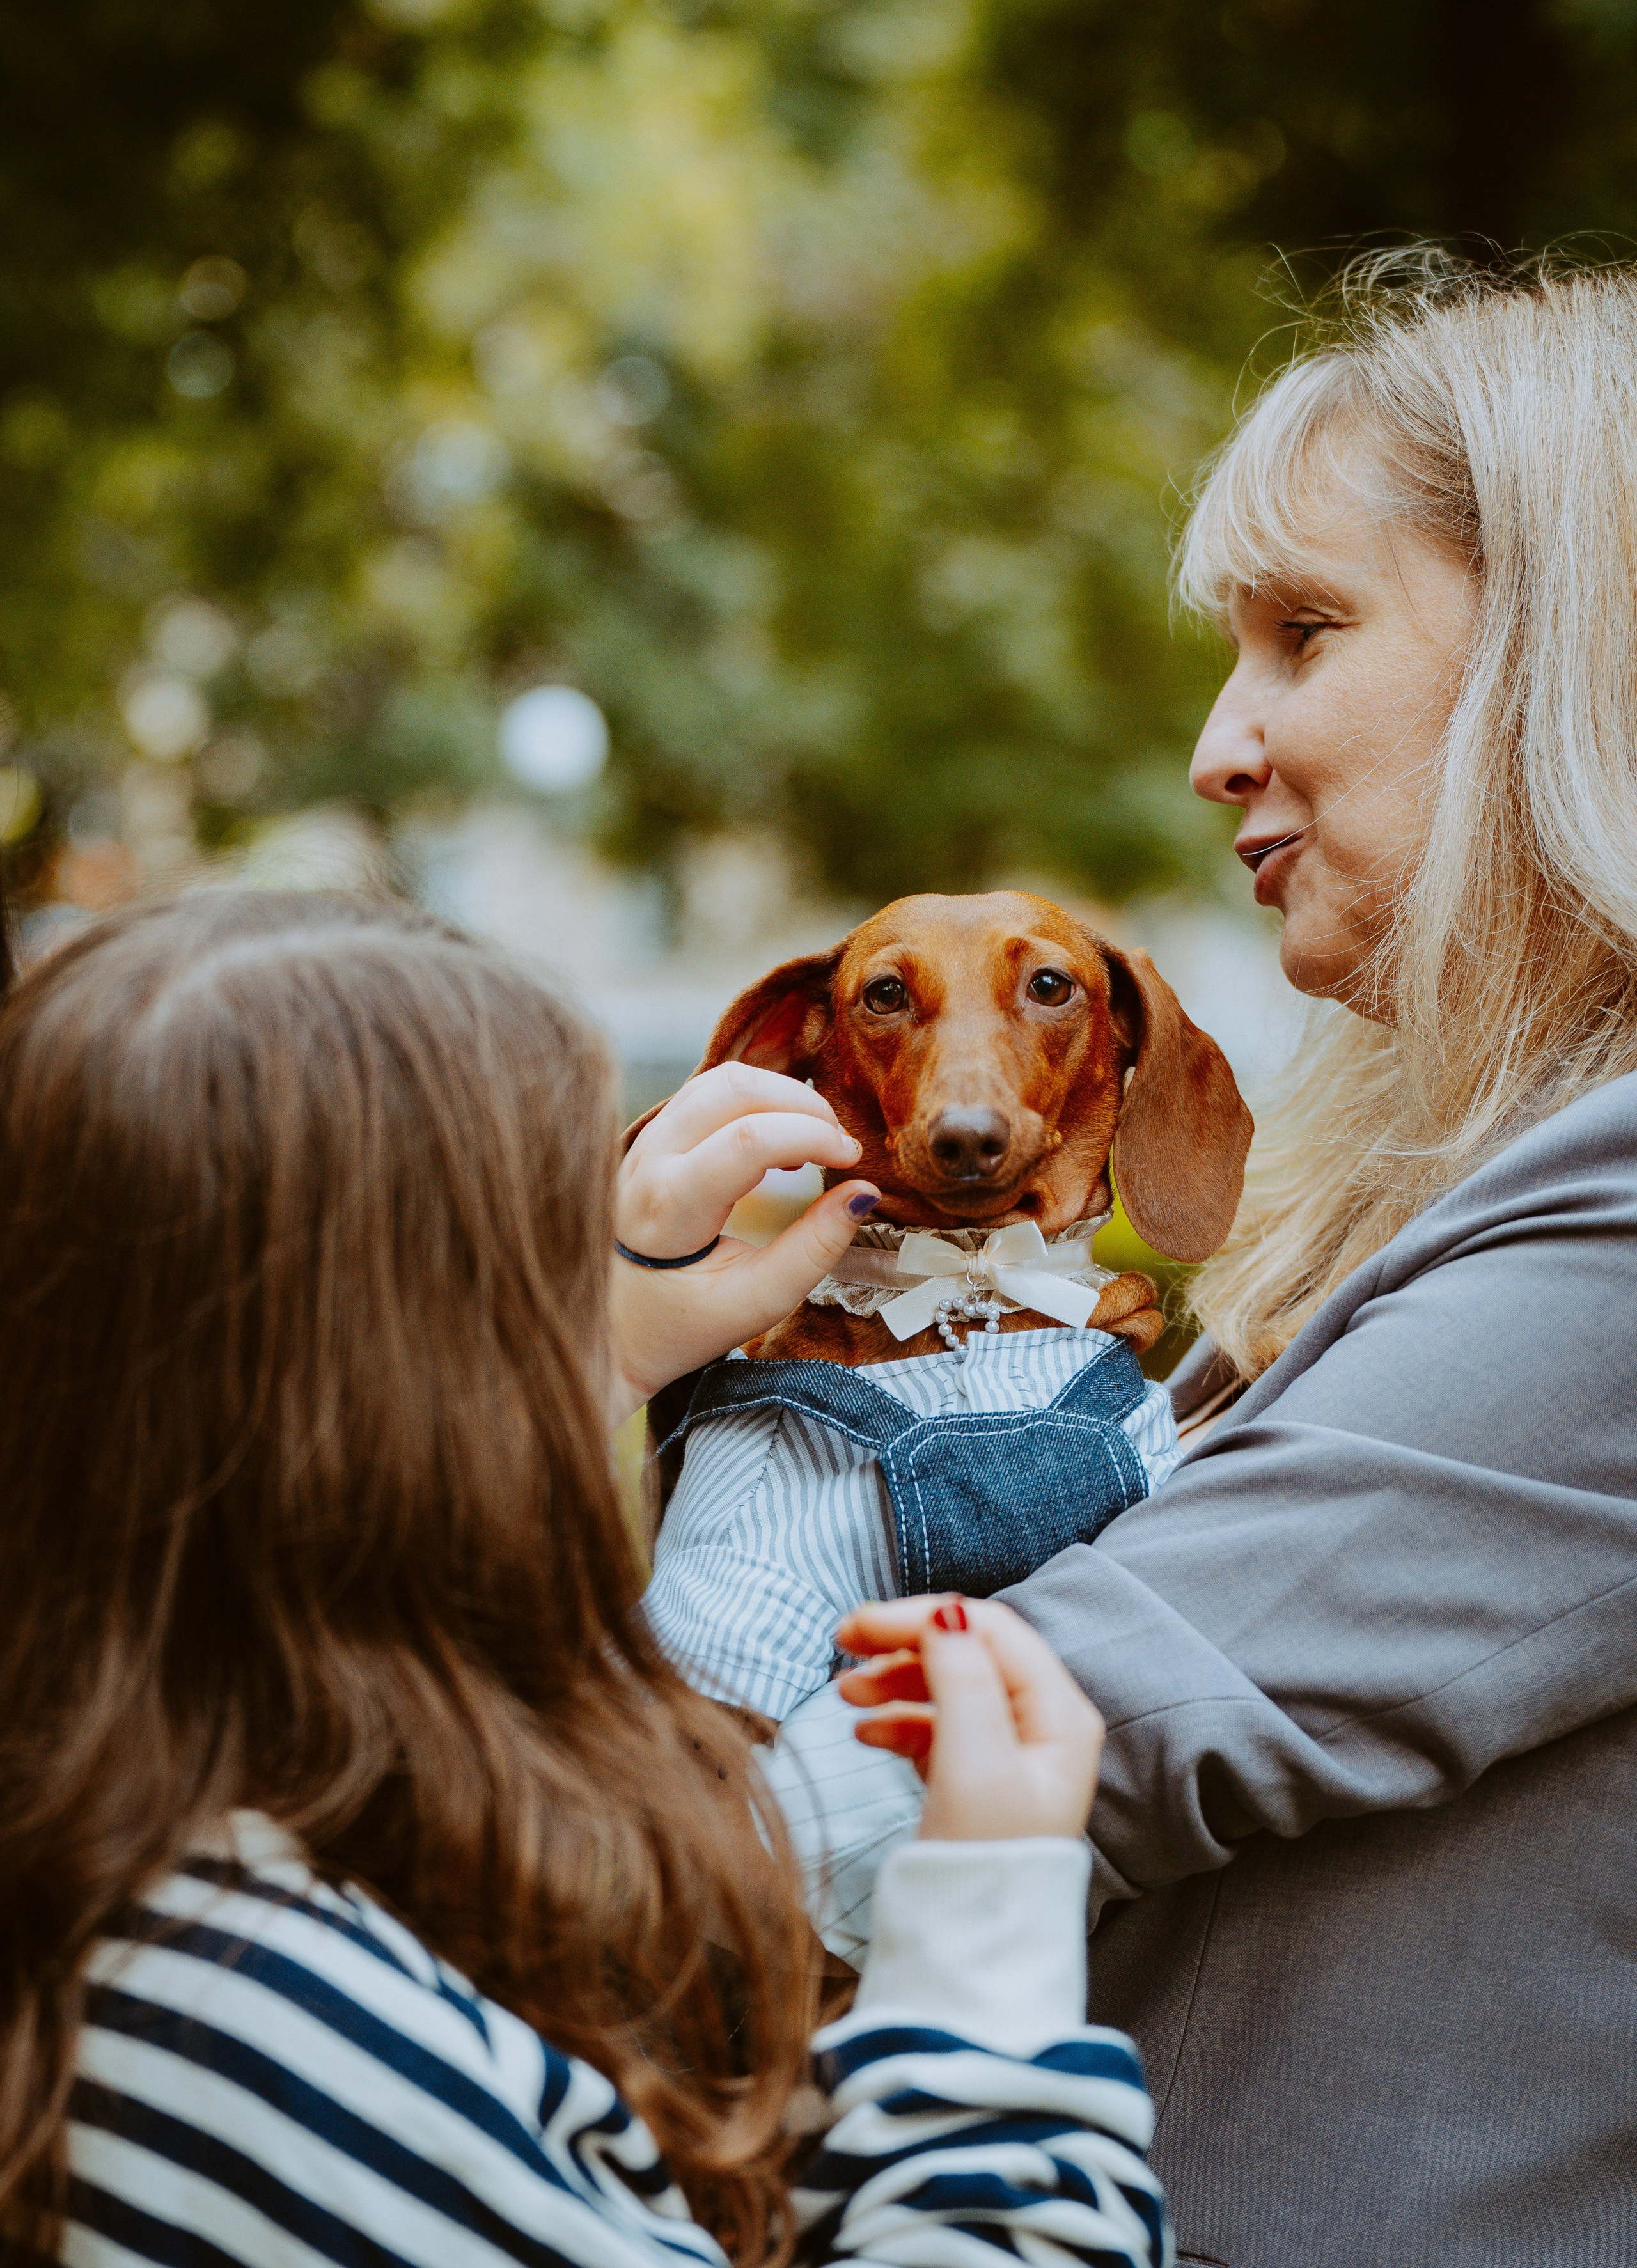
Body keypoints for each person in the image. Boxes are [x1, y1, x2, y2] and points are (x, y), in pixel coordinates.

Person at [613, 255, 1637, 2267]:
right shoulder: (1449, 1178)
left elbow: (1105, 1693)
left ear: (1568, 651)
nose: (1216, 742)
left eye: (1303, 630)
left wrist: (427, 1910)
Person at [0, 889, 1170, 2268]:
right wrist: (986, 1910)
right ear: (367, 1376)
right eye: (551, 1257)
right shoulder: (239, 2023)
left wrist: (620, 1348)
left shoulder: (161, 1804)